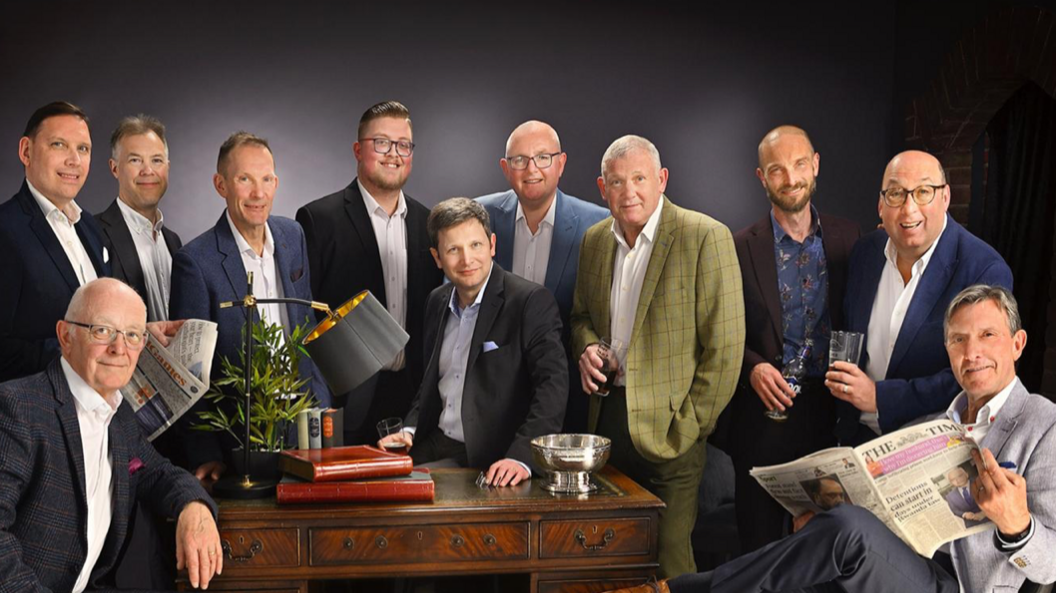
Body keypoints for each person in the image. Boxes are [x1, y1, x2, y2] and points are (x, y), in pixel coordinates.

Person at [615, 285, 1056, 593]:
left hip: (959, 586)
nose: (972, 352)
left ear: (1017, 344)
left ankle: (676, 591)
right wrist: (823, 518)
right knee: (799, 568)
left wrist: (1017, 526)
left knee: (846, 532)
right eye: (958, 340)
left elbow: (1051, 562)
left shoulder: (1043, 424)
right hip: (901, 569)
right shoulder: (934, 424)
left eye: (987, 336)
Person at [571, 135, 745, 578]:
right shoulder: (594, 241)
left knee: (668, 561)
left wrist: (690, 426)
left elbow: (724, 350)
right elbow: (579, 318)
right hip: (605, 424)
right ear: (601, 187)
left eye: (639, 178)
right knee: (605, 557)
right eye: (616, 181)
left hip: (672, 434)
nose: (628, 191)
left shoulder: (705, 236)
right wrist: (588, 345)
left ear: (662, 180)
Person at [0, 278, 222, 592]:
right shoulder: (17, 407)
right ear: (66, 336)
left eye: (132, 335)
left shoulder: (117, 415)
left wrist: (194, 507)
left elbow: (156, 473)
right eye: (102, 331)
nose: (119, 348)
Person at [725, 125, 860, 552]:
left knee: (827, 547)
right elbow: (717, 333)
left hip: (834, 416)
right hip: (766, 417)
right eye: (777, 169)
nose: (791, 178)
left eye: (799, 164)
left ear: (815, 165)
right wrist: (753, 368)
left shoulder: (852, 240)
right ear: (761, 177)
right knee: (760, 545)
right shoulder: (737, 247)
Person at [169, 132, 331, 485]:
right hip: (238, 444)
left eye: (266, 179)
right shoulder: (195, 263)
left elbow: (306, 326)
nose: (258, 193)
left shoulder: (293, 236)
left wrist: (322, 405)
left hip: (305, 430)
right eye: (245, 180)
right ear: (220, 184)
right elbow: (186, 371)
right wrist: (205, 452)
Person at [827, 150, 1012, 446]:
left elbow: (975, 374)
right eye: (896, 194)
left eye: (924, 192)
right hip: (854, 440)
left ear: (946, 197)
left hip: (927, 448)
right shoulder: (864, 253)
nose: (909, 209)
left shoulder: (983, 270)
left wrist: (880, 398)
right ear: (880, 204)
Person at [378, 198, 567, 487]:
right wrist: (410, 430)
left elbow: (552, 388)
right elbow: (429, 383)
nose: (467, 260)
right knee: (377, 487)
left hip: (492, 455)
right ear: (437, 257)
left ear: (492, 245)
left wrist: (521, 457)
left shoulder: (530, 302)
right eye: (453, 249)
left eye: (476, 245)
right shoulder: (437, 301)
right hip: (435, 441)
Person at [297, 101, 443, 446]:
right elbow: (304, 318)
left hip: (414, 401)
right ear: (358, 149)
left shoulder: (429, 223)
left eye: (403, 145)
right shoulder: (319, 220)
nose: (393, 153)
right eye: (381, 142)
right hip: (346, 401)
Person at [476, 120, 609, 433]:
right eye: (519, 160)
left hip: (569, 391)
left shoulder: (598, 225)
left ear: (560, 163)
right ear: (505, 168)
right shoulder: (479, 217)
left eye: (543, 158)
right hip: (491, 391)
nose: (531, 169)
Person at [98, 115, 182, 323]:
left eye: (156, 160)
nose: (148, 171)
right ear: (114, 168)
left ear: (167, 168)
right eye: (135, 160)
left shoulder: (174, 242)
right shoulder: (94, 234)